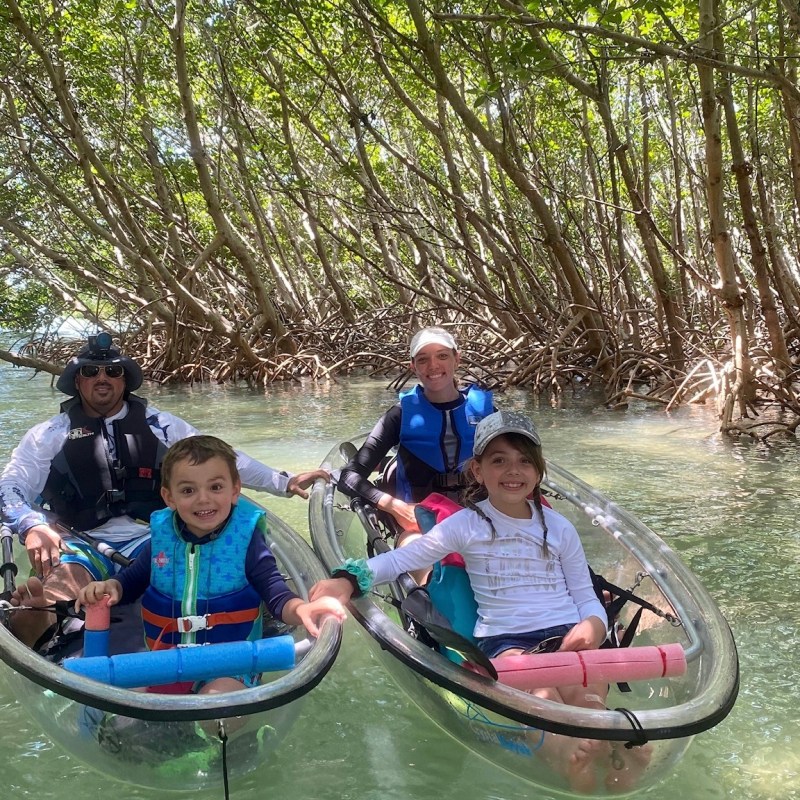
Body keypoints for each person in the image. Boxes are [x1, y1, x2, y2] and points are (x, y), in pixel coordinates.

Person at [312, 410, 649, 793]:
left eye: (524, 460)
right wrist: (347, 579)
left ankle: (617, 751)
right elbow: (401, 559)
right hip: (508, 642)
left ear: (538, 471)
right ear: (478, 470)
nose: (513, 470)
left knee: (586, 697)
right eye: (499, 460)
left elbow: (585, 596)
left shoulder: (560, 528)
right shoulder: (466, 524)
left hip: (568, 633)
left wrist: (594, 625)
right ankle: (567, 757)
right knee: (541, 698)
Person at [0, 333, 328, 649]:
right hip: (79, 542)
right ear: (77, 381)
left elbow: (222, 461)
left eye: (113, 371)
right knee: (62, 586)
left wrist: (282, 482)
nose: (103, 378)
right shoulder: (48, 434)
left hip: (156, 537)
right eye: (91, 371)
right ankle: (40, 620)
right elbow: (10, 485)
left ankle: (261, 615)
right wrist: (32, 525)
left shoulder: (161, 424)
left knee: (206, 570)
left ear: (124, 380)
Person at [76, 435, 346, 697]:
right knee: (125, 707)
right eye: (188, 490)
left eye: (215, 487)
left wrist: (303, 610)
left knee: (216, 704)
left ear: (235, 491)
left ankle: (223, 739)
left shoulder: (247, 540)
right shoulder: (163, 538)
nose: (203, 499)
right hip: (167, 660)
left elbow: (276, 593)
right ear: (169, 498)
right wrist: (110, 586)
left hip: (232, 664)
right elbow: (131, 580)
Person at [339, 326, 494, 536]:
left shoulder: (488, 413)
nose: (433, 365)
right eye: (422, 359)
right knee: (430, 563)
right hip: (420, 521)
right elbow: (349, 476)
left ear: (457, 359)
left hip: (481, 515)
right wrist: (395, 507)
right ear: (413, 366)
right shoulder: (399, 416)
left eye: (442, 356)